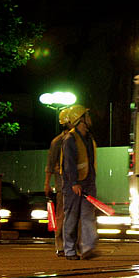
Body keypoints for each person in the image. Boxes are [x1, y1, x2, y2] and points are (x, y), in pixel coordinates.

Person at [61, 105, 98, 260]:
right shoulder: (70, 139)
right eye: (87, 116)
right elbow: (69, 164)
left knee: (88, 215)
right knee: (71, 216)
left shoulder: (88, 137)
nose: (89, 119)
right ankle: (69, 250)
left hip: (88, 182)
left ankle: (87, 248)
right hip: (73, 185)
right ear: (80, 119)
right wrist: (74, 183)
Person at [44, 106, 71, 257]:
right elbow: (50, 164)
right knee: (61, 215)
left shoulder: (75, 140)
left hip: (72, 185)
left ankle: (69, 245)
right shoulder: (57, 142)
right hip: (62, 185)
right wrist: (47, 183)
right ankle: (60, 245)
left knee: (72, 216)